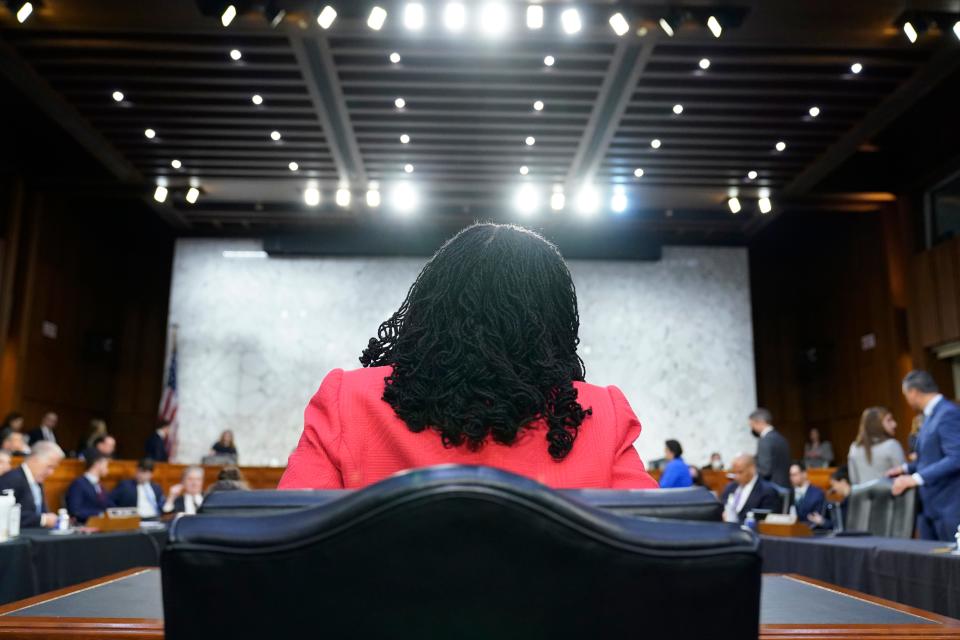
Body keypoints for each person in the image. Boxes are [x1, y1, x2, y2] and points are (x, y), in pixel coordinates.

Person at [279, 223, 658, 491]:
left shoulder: (348, 398)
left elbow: (291, 532)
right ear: (555, 319)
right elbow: (650, 542)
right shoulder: (602, 413)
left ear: (429, 304)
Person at [888, 370, 960, 541]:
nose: (907, 399)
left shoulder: (947, 412)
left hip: (949, 505)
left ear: (913, 392)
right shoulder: (930, 415)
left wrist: (915, 478)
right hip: (931, 506)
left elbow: (956, 457)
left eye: (906, 394)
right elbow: (932, 457)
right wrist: (905, 468)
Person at [0, 441, 64, 528]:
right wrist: (43, 519)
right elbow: (6, 515)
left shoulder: (37, 481)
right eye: (49, 466)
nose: (51, 473)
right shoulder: (11, 479)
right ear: (34, 459)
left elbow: (41, 511)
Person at [847, 407, 906, 484]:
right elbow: (903, 477)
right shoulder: (892, 445)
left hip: (863, 495)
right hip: (890, 494)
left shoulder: (854, 448)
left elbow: (854, 480)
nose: (894, 424)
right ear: (875, 424)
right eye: (889, 420)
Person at [719, 453, 782, 524]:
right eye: (734, 472)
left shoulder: (767, 491)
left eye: (740, 472)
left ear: (752, 468)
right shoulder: (730, 487)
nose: (736, 477)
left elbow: (767, 520)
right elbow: (721, 507)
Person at [749, 408, 791, 488]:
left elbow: (765, 471)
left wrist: (749, 470)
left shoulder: (765, 440)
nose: (752, 429)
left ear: (760, 422)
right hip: (785, 486)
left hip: (772, 489)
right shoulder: (781, 438)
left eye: (752, 425)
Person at [65, 454, 111, 524]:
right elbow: (75, 511)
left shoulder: (100, 485)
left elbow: (109, 505)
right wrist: (101, 514)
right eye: (106, 465)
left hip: (102, 524)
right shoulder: (78, 484)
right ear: (97, 464)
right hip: (85, 525)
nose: (108, 469)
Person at [808, 466, 852, 531]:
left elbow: (841, 526)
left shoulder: (851, 502)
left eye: (834, 485)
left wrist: (822, 521)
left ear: (843, 482)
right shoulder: (847, 500)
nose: (833, 489)